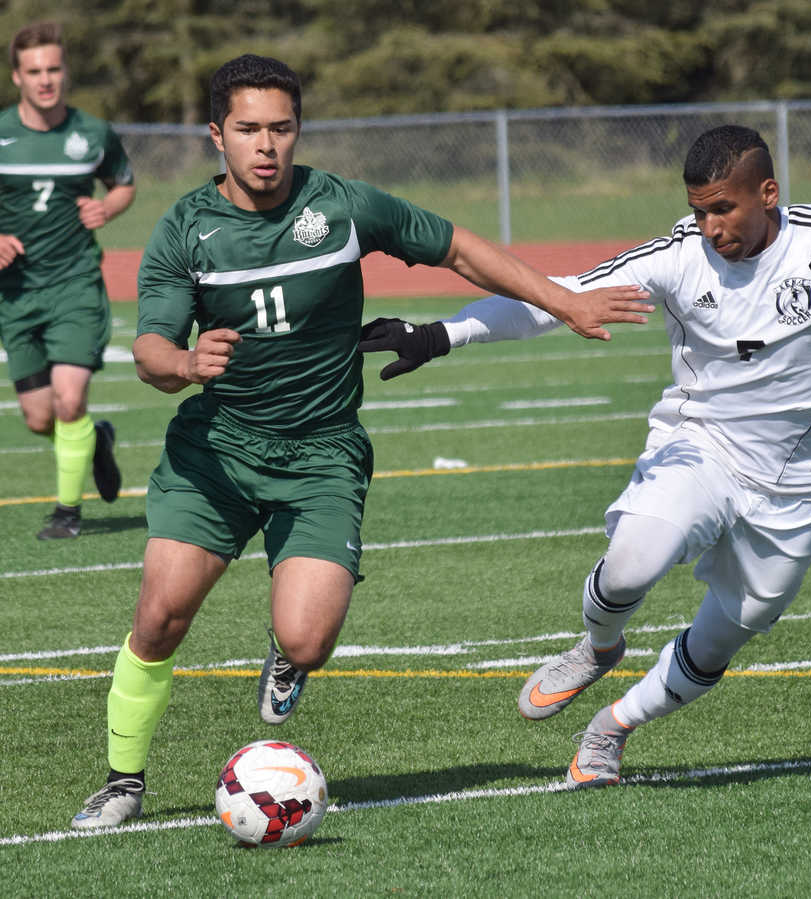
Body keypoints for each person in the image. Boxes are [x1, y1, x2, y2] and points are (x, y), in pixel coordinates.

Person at [68, 53, 651, 828]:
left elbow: (457, 247)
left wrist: (562, 301)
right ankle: (122, 781)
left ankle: (289, 655)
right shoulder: (185, 229)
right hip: (218, 452)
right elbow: (150, 351)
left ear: (298, 129)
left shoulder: (342, 206)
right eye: (248, 129)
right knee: (160, 616)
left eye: (282, 128)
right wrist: (184, 362)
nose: (266, 145)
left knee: (308, 640)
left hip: (322, 456)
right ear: (216, 134)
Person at [360, 125, 811, 788]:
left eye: (723, 209)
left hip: (804, 475)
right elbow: (559, 297)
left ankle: (612, 727)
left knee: (725, 635)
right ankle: (599, 646)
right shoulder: (679, 255)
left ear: (768, 193)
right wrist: (440, 335)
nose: (710, 227)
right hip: (703, 443)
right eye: (698, 211)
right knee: (630, 566)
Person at [0, 21, 134, 538]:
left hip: (76, 285)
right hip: (15, 295)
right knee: (40, 418)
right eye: (34, 71)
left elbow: (123, 184)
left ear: (65, 72)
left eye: (53, 69)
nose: (45, 79)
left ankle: (67, 513)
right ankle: (95, 440)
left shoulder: (93, 133)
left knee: (70, 399)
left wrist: (107, 208)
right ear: (17, 77)